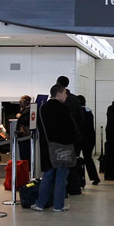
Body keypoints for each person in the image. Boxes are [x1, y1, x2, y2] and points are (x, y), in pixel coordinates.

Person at [33, 84, 78, 212]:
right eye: (64, 93)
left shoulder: (42, 108)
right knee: (61, 176)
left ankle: (40, 204)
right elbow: (71, 129)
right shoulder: (63, 109)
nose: (66, 95)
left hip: (48, 148)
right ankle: (58, 205)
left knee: (47, 175)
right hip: (63, 148)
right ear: (58, 94)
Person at [75, 94, 101, 185]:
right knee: (88, 159)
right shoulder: (89, 112)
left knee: (76, 159)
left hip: (79, 139)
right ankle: (95, 178)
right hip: (89, 139)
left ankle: (77, 179)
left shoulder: (77, 112)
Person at [16, 95, 32, 162]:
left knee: (24, 156)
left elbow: (24, 121)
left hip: (24, 135)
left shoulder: (27, 111)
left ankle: (26, 170)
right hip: (26, 136)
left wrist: (20, 116)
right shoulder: (27, 110)